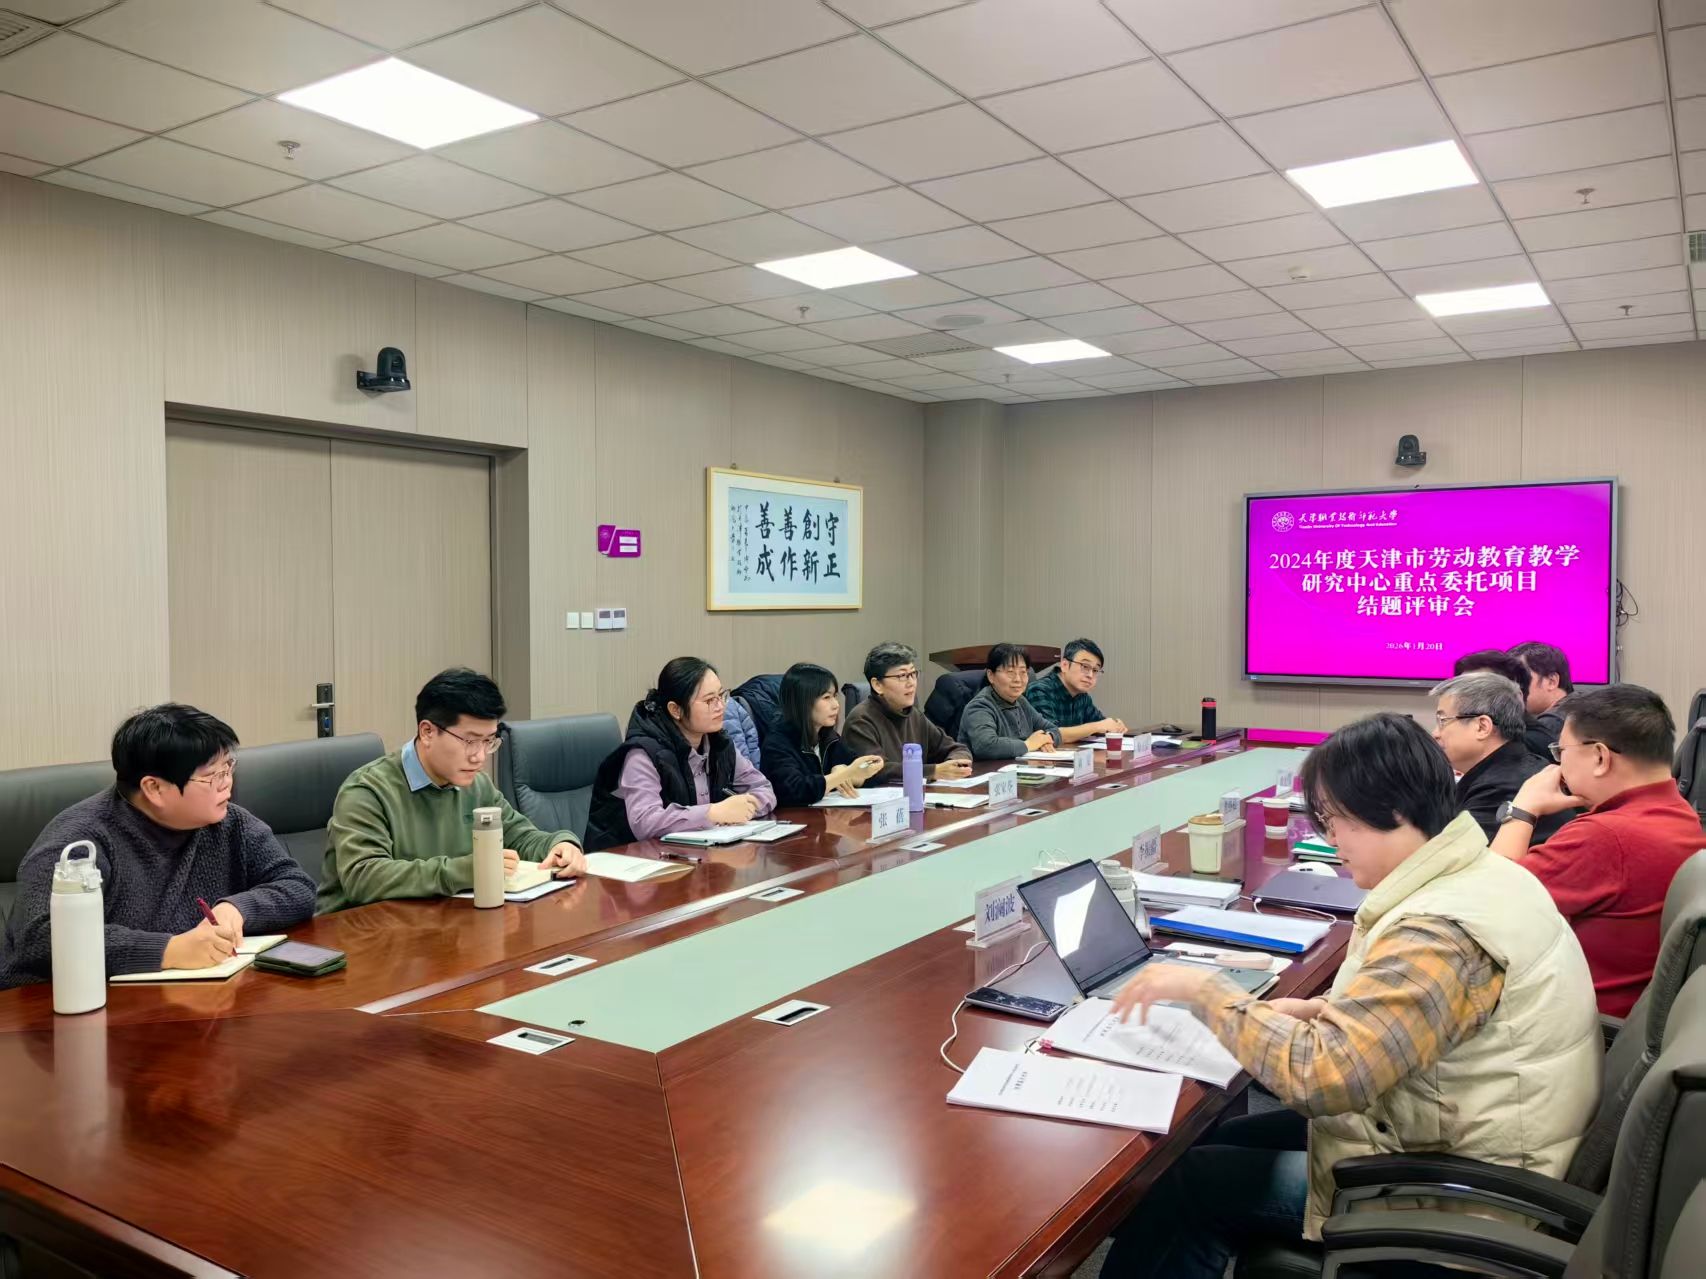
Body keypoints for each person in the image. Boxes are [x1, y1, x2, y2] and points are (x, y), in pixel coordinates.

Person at [1098, 713, 1600, 1279]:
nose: (1330, 840)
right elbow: (1431, 1013)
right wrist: (1322, 1010)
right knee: (1223, 1137)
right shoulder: (1480, 873)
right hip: (1458, 1136)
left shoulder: (1437, 932)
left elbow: (1324, 1078)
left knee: (1192, 1187)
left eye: (1336, 821)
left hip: (1463, 1199)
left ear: (1395, 810)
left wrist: (1206, 991)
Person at [0, 704, 316, 987]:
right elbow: (40, 937)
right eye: (212, 776)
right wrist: (169, 950)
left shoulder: (230, 823)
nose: (227, 782)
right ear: (154, 788)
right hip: (63, 1008)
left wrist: (237, 909)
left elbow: (298, 887)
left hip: (194, 1000)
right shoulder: (81, 839)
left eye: (228, 767)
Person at [1490, 683, 1704, 1017]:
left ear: (1600, 757)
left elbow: (1487, 904)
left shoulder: (1605, 836)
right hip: (1634, 1020)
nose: (1556, 767)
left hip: (1575, 1024)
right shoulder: (1682, 814)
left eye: (1561, 752)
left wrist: (1523, 808)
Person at [317, 669, 585, 912]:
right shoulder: (367, 791)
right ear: (427, 732)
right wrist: (464, 871)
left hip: (439, 925)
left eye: (489, 741)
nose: (479, 756)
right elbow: (364, 878)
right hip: (357, 936)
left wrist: (560, 845)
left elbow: (519, 836)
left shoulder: (476, 785)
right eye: (469, 741)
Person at [585, 657, 776, 851]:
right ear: (675, 709)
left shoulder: (720, 744)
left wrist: (745, 807)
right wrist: (713, 813)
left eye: (721, 695)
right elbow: (645, 822)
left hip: (695, 854)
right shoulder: (643, 753)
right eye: (709, 700)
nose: (721, 706)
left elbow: (764, 789)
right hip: (633, 861)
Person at [1430, 671, 1568, 842]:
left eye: (1442, 720)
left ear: (1482, 727)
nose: (1435, 733)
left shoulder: (1500, 789)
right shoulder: (1512, 767)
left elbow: (1454, 853)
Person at [843, 642, 973, 786]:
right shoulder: (860, 720)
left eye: (913, 674)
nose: (911, 683)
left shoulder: (913, 714)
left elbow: (956, 748)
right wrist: (934, 771)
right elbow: (877, 771)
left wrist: (953, 765)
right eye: (902, 676)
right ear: (877, 685)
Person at [758, 663, 885, 808]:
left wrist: (849, 774)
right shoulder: (777, 743)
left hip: (828, 816)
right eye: (826, 697)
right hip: (795, 818)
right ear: (802, 702)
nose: (836, 705)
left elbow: (872, 776)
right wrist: (843, 775)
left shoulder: (828, 737)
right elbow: (795, 790)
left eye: (835, 696)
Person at [961, 643, 1060, 760]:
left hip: (1019, 768)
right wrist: (1028, 744)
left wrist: (1046, 739)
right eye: (1010, 672)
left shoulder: (1021, 701)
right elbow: (986, 745)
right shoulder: (980, 706)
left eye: (1023, 672)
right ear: (991, 675)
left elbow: (1054, 729)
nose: (1018, 679)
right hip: (988, 770)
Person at [1453, 647, 1551, 762]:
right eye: (1462, 691)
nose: (1467, 700)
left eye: (1479, 690)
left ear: (1516, 696)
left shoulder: (1529, 745)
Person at [1023, 638, 1128, 741]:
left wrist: (1114, 726)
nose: (1090, 675)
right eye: (1085, 666)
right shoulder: (1039, 690)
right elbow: (1050, 734)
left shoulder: (1082, 695)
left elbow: (1101, 724)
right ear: (1064, 665)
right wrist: (1097, 726)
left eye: (1095, 670)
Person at [1510, 640, 1573, 758]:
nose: (1513, 688)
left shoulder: (1549, 727)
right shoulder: (1582, 706)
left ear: (1551, 681)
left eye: (1521, 679)